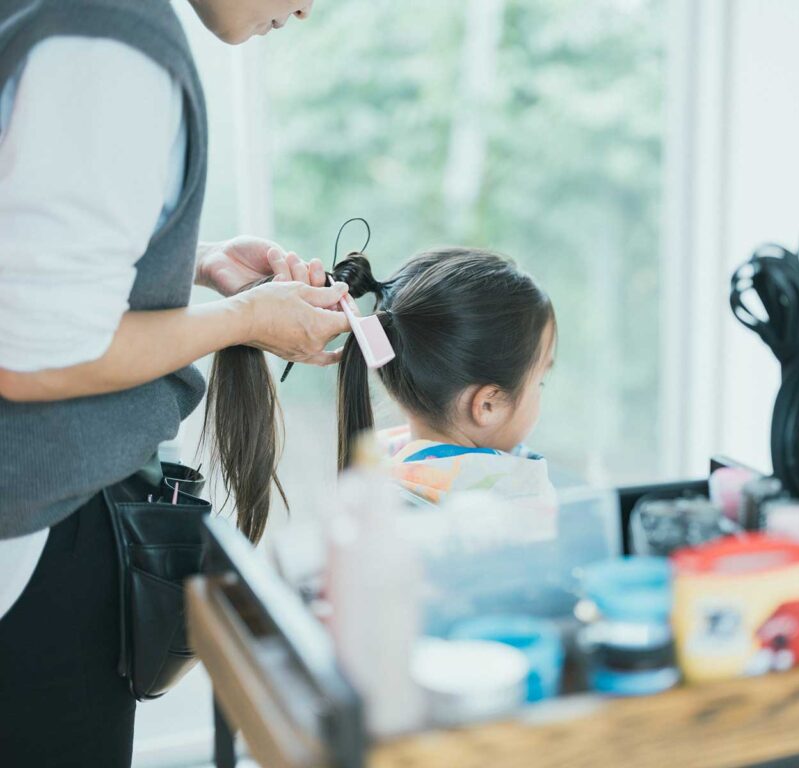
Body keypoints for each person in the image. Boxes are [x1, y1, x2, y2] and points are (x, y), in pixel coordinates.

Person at [0, 1, 346, 766]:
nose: (306, 7)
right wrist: (245, 320)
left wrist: (198, 258)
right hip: (31, 532)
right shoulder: (106, 41)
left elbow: (26, 250)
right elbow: (32, 357)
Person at [334, 249, 557, 506]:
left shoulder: (379, 470)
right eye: (540, 381)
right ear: (488, 404)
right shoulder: (516, 502)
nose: (541, 389)